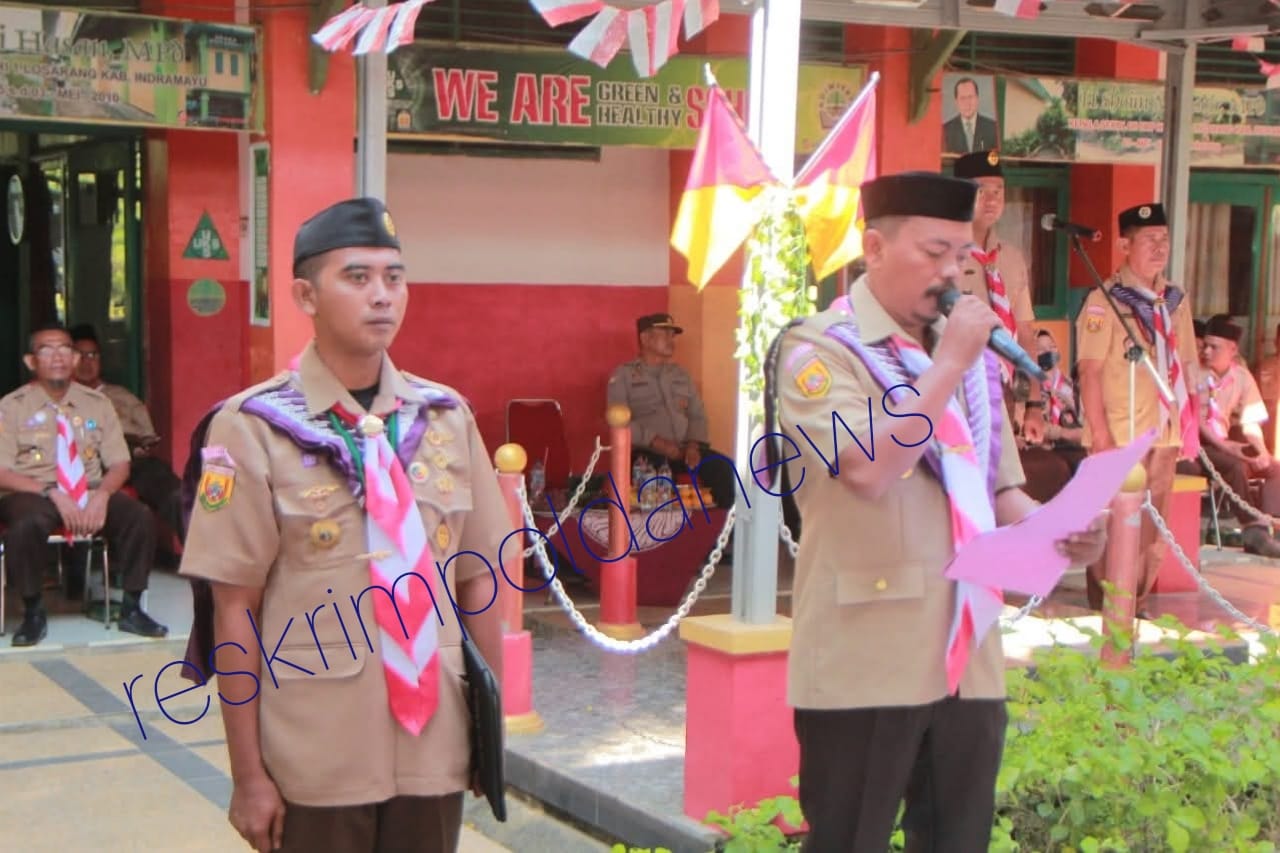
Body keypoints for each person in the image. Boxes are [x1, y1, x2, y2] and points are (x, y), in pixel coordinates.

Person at [772, 171, 1107, 851]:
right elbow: (868, 467)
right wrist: (948, 364)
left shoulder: (968, 364)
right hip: (866, 653)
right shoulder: (819, 351)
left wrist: (1058, 527)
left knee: (958, 839)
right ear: (874, 246)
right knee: (848, 839)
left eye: (962, 255)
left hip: (967, 650)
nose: (951, 272)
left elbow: (1000, 489)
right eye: (934, 252)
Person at [177, 198, 508, 853]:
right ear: (305, 293)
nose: (382, 295)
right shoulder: (252, 428)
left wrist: (485, 736)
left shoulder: (445, 419)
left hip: (432, 743)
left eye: (394, 276)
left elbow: (478, 582)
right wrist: (248, 776)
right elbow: (233, 608)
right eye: (356, 277)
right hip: (314, 755)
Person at [0, 325, 169, 645]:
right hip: (33, 489)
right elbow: (2, 470)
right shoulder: (12, 406)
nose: (58, 357)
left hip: (89, 488)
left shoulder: (97, 403)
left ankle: (132, 608)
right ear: (30, 361)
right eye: (46, 350)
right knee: (28, 523)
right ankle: (33, 611)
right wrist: (53, 494)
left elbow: (120, 463)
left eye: (65, 349)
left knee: (138, 517)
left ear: (76, 359)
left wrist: (103, 495)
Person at [1075, 202, 1199, 614]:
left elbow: (1189, 364)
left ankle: (1137, 604)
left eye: (1164, 239)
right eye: (1149, 240)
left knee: (1151, 529)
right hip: (1120, 434)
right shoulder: (1104, 301)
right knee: (1112, 526)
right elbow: (1089, 372)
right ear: (1125, 244)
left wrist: (1190, 424)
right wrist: (1102, 436)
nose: (1159, 248)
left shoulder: (1174, 301)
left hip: (1164, 433)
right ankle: (1105, 608)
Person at [69, 324, 184, 566]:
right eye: (80, 355)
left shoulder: (121, 396)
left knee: (173, 491)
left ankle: (202, 562)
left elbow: (147, 434)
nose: (87, 362)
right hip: (87, 468)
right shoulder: (62, 398)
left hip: (130, 461)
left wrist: (141, 445)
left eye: (93, 355)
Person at [952, 150, 1047, 444]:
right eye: (981, 190)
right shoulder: (943, 254)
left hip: (1004, 390)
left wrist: (1033, 403)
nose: (991, 200)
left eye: (998, 191)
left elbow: (1026, 335)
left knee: (1000, 480)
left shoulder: (1012, 259)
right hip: (957, 390)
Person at [606, 313, 736, 512]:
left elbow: (697, 415)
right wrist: (657, 442)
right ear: (645, 338)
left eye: (672, 335)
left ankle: (720, 534)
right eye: (665, 333)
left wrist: (693, 445)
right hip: (648, 452)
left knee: (724, 469)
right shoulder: (623, 375)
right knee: (657, 480)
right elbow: (619, 421)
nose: (671, 340)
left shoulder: (680, 375)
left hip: (687, 451)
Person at [1178, 314, 1280, 557]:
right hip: (1194, 444)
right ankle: (1253, 532)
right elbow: (1198, 423)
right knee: (1234, 465)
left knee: (1274, 468)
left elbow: (1251, 422)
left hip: (1222, 444)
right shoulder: (1192, 372)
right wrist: (1229, 448)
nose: (1206, 352)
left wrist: (1261, 452)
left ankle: (1270, 524)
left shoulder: (1241, 377)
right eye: (1205, 345)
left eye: (1215, 347)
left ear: (1232, 350)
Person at [942, 77, 999, 154]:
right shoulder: (945, 131)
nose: (967, 103)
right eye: (962, 98)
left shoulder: (993, 128)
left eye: (970, 97)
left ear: (977, 99)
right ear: (956, 102)